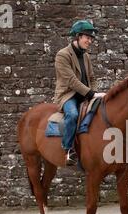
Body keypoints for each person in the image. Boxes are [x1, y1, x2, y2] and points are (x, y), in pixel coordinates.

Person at [53, 20, 105, 165]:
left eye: (91, 38)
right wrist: (92, 94)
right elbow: (71, 81)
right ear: (77, 36)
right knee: (73, 115)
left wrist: (94, 92)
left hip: (85, 94)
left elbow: (92, 78)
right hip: (68, 95)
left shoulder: (86, 56)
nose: (90, 41)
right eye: (87, 37)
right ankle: (68, 149)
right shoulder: (62, 55)